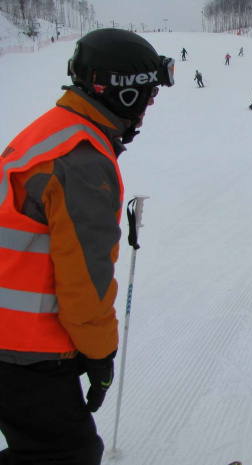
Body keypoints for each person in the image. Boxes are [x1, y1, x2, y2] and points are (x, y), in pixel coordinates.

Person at [0, 28, 174, 465]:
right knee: (67, 455)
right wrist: (100, 356)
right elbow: (84, 282)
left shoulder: (51, 130)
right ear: (125, 94)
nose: (150, 107)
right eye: (149, 95)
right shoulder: (83, 161)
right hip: (22, 350)